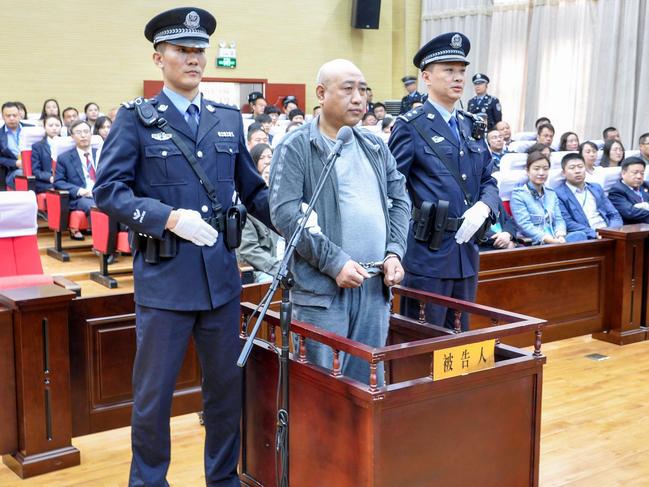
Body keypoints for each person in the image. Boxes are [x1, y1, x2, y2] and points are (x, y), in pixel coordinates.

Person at [92, 8, 271, 486]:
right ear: (159, 58)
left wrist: (294, 215)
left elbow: (253, 192)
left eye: (199, 51)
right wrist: (167, 217)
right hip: (166, 279)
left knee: (224, 392)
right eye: (182, 50)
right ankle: (149, 482)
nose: (193, 59)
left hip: (220, 280)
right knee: (153, 398)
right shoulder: (135, 119)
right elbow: (108, 191)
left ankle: (223, 479)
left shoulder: (227, 119)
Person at [269, 58, 410, 384]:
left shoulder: (374, 145)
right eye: (348, 90)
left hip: (375, 287)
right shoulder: (297, 146)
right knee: (324, 392)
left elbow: (401, 199)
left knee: (369, 388)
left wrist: (394, 252)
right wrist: (335, 262)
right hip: (324, 294)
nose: (359, 98)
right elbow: (285, 214)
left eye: (363, 90)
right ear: (321, 93)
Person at [388, 32, 499, 331]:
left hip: (466, 251)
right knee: (423, 342)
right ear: (426, 76)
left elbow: (489, 179)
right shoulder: (411, 126)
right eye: (448, 70)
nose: (458, 78)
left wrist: (485, 208)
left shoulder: (469, 125)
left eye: (461, 71)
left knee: (459, 340)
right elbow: (392, 190)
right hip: (428, 254)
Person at [510, 151, 587, 244]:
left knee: (581, 236)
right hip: (536, 242)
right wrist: (549, 239)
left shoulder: (551, 193)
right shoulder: (519, 195)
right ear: (527, 171)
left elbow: (559, 219)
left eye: (545, 169)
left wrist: (560, 235)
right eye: (536, 169)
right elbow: (525, 225)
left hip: (556, 239)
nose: (541, 173)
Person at [237, 143, 282, 283]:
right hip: (263, 270)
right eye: (267, 176)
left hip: (286, 264)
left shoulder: (285, 206)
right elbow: (249, 250)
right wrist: (280, 268)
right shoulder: (249, 209)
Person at [555, 153, 623, 239]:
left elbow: (614, 214)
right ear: (563, 173)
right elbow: (567, 223)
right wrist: (595, 234)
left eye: (580, 166)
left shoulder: (596, 188)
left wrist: (611, 231)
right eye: (572, 168)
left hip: (609, 233)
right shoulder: (558, 193)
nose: (577, 171)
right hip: (587, 237)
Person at [54, 119, 97, 239]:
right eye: (78, 132)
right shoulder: (64, 158)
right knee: (95, 207)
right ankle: (104, 246)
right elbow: (58, 182)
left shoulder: (101, 154)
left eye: (86, 131)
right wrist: (79, 190)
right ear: (72, 136)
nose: (83, 135)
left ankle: (126, 242)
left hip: (102, 193)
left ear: (91, 134)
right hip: (81, 197)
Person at [608, 157, 649, 224]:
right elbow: (630, 212)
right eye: (635, 173)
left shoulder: (646, 185)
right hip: (635, 229)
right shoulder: (616, 191)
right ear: (623, 173)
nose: (639, 176)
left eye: (642, 173)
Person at [31, 115, 61, 193]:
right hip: (46, 182)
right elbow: (35, 171)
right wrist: (49, 177)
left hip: (65, 181)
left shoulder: (68, 144)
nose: (54, 128)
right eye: (50, 125)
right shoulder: (37, 147)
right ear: (44, 127)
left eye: (57, 125)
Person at [1, 102, 25, 189]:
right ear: (3, 117)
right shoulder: (0, 135)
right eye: (8, 115)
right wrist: (15, 163)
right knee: (22, 173)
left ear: (20, 115)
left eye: (14, 115)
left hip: (35, 167)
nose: (11, 118)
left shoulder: (31, 129)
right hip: (13, 171)